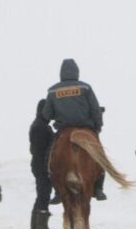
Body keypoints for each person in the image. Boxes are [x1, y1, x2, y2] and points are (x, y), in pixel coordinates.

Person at [42, 58, 107, 201]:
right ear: (77, 72)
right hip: (86, 128)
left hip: (63, 129)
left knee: (50, 157)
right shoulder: (86, 87)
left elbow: (46, 114)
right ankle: (98, 188)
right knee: (100, 156)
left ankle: (57, 192)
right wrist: (98, 126)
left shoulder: (53, 90)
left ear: (61, 73)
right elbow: (95, 110)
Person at [29, 99, 55, 229]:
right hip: (41, 165)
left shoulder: (40, 125)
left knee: (42, 193)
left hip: (39, 164)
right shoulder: (41, 127)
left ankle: (36, 225)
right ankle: (40, 225)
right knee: (44, 193)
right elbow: (41, 150)